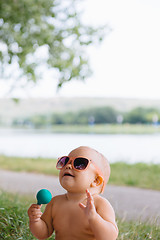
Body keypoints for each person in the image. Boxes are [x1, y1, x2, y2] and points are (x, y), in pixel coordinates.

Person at [28, 146, 118, 240]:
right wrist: (35, 221)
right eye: (65, 161)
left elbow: (110, 237)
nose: (68, 166)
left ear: (96, 180)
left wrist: (94, 218)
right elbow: (43, 233)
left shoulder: (100, 204)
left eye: (79, 163)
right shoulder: (55, 203)